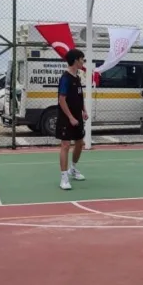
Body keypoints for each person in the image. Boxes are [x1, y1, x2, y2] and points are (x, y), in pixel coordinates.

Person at [56, 49, 88, 190]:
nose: (83, 62)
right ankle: (64, 178)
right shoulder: (65, 78)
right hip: (66, 118)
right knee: (65, 145)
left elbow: (80, 96)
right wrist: (70, 117)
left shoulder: (77, 77)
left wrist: (84, 110)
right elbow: (62, 99)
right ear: (76, 60)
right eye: (82, 59)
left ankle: (73, 169)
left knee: (80, 143)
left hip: (77, 117)